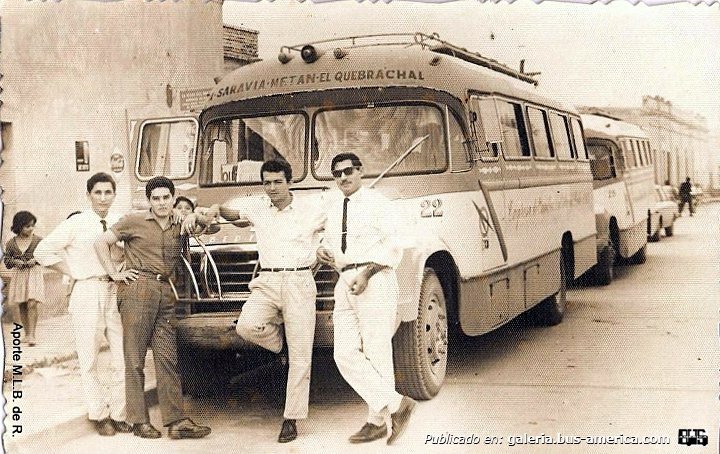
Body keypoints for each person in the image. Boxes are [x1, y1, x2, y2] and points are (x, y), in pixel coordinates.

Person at [184, 159, 326, 443]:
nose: (272, 188)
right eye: (267, 182)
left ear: (289, 181)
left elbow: (336, 229)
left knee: (301, 358)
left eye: (277, 182)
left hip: (299, 281)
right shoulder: (259, 206)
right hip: (268, 280)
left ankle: (291, 418)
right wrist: (213, 209)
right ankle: (279, 346)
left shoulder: (311, 209)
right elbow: (229, 212)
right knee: (247, 325)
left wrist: (325, 250)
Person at [94, 176, 211, 440]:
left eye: (166, 198)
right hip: (138, 289)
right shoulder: (133, 221)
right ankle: (138, 421)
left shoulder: (179, 223)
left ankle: (176, 421)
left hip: (166, 291)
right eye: (155, 198)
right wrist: (114, 273)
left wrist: (196, 217)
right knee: (134, 358)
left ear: (173, 199)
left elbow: (210, 226)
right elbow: (101, 242)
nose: (161, 203)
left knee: (167, 357)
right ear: (149, 201)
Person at [316, 152, 416, 445]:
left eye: (348, 171)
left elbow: (395, 244)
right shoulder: (334, 207)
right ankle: (396, 405)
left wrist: (368, 272)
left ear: (360, 171)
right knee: (343, 352)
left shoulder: (379, 204)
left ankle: (376, 421)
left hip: (375, 279)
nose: (343, 178)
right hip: (344, 279)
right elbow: (330, 241)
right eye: (337, 174)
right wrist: (322, 250)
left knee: (376, 351)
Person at [34, 172, 131, 436]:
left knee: (121, 355)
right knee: (89, 355)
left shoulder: (120, 221)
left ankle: (119, 413)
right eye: (97, 192)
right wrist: (72, 271)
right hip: (86, 289)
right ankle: (99, 414)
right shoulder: (76, 223)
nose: (102, 198)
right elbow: (41, 251)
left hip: (115, 289)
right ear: (88, 195)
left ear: (114, 194)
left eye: (107, 192)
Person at [3, 211, 44, 346]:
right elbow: (7, 262)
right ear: (19, 227)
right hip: (19, 275)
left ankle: (32, 334)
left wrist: (36, 259)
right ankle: (26, 334)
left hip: (33, 273)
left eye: (32, 226)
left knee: (32, 303)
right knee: (22, 303)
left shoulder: (38, 241)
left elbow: (45, 256)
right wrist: (16, 262)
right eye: (27, 226)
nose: (31, 229)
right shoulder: (11, 243)